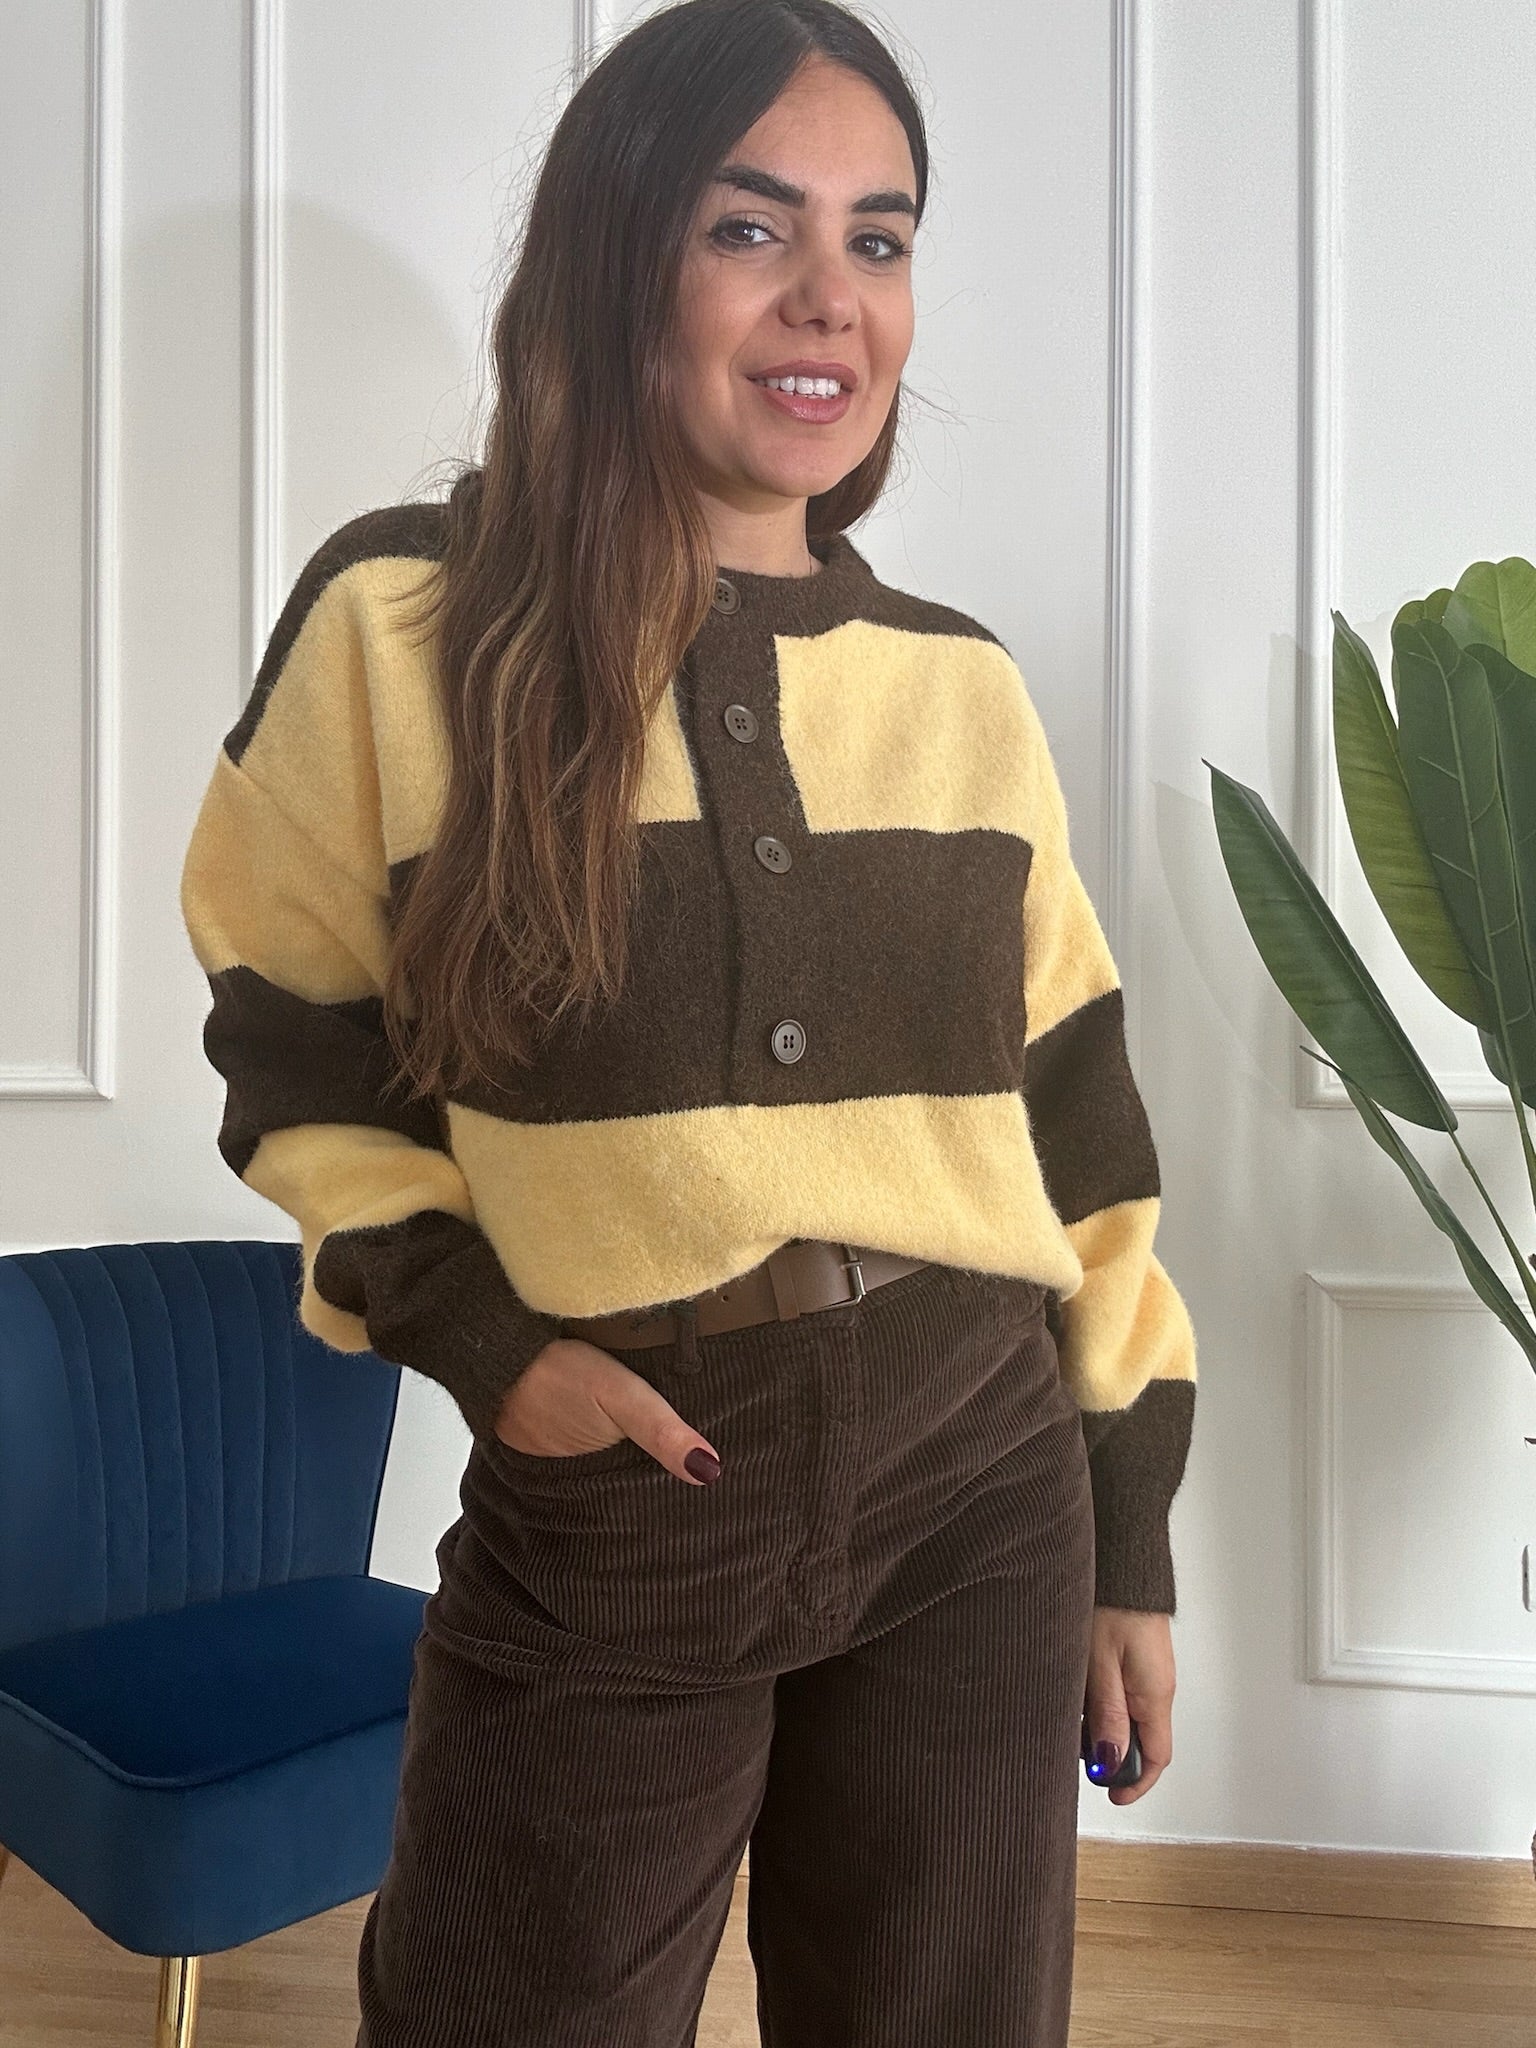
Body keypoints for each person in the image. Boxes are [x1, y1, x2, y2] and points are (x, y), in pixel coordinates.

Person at [178, 1, 1198, 2041]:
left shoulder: (959, 688)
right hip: (627, 1480)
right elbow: (293, 1045)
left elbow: (1077, 1124)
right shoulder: (403, 623)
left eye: (879, 238)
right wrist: (490, 1346)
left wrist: (1127, 1531)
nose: (832, 295)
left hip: (975, 1470)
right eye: (753, 228)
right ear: (619, 256)